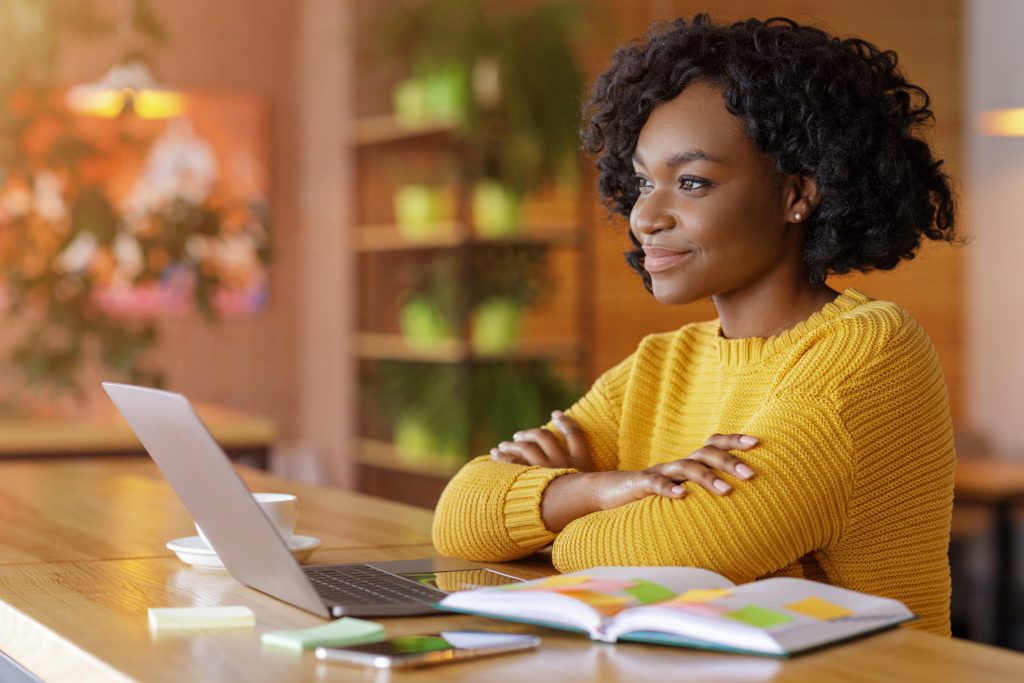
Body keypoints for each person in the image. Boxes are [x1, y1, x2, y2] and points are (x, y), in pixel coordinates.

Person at [431, 14, 958, 636]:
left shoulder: (869, 350)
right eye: (642, 182)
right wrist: (601, 491)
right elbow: (457, 516)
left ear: (797, 194)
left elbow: (680, 549)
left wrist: (555, 506)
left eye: (692, 182)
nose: (646, 216)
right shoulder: (664, 363)